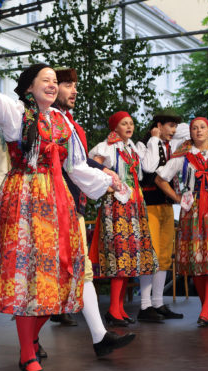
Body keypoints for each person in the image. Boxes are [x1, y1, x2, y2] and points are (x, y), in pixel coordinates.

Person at [0, 33, 118, 371]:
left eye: (54, 81)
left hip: (58, 201)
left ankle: (30, 342)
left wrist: (108, 180)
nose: (51, 84)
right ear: (30, 87)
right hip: (24, 197)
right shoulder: (16, 113)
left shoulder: (62, 122)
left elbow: (76, 166)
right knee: (27, 274)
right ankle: (27, 353)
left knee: (57, 275)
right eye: (44, 80)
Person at [53, 67, 135, 356]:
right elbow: (70, 164)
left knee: (81, 269)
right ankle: (30, 344)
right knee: (50, 270)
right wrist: (104, 174)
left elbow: (78, 161)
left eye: (74, 85)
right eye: (66, 84)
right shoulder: (48, 121)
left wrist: (104, 171)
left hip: (71, 205)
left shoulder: (69, 123)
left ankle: (100, 337)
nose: (73, 90)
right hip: (51, 206)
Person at [155, 117, 208, 327]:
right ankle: (206, 309)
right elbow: (160, 179)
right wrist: (178, 198)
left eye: (202, 127)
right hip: (193, 210)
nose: (198, 131)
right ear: (191, 133)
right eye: (194, 128)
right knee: (198, 261)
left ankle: (204, 311)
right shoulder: (183, 156)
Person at [89, 111, 159, 327]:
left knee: (130, 255)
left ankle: (118, 308)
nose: (129, 126)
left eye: (131, 123)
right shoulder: (106, 147)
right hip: (117, 205)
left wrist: (154, 141)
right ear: (115, 127)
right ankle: (113, 309)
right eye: (123, 123)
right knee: (120, 254)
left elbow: (148, 168)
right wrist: (108, 184)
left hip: (134, 203)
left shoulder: (133, 148)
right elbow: (92, 167)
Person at [135, 110, 184, 322]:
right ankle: (145, 305)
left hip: (165, 206)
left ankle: (158, 302)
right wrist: (154, 140)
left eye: (175, 126)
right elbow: (149, 168)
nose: (173, 130)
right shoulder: (143, 144)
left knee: (164, 254)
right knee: (150, 253)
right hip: (149, 205)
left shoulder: (170, 147)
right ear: (159, 125)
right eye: (170, 125)